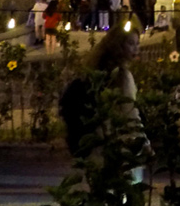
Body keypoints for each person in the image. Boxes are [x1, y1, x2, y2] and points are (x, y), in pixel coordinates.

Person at [59, 19, 149, 186]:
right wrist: (145, 145)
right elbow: (131, 114)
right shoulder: (122, 76)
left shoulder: (93, 70)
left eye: (137, 44)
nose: (136, 48)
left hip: (95, 144)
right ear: (118, 45)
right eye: (131, 44)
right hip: (118, 148)